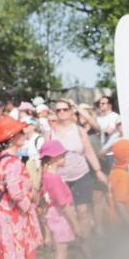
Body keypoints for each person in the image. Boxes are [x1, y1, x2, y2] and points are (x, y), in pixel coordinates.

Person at [0, 116, 42, 259]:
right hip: (12, 216)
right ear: (12, 138)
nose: (24, 134)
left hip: (1, 213)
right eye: (20, 132)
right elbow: (15, 191)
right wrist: (29, 207)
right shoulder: (12, 162)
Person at [49, 98, 105, 239]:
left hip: (81, 174)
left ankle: (86, 243)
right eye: (58, 110)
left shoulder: (79, 130)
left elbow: (88, 150)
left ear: (70, 111)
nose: (61, 112)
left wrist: (98, 171)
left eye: (65, 109)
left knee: (83, 210)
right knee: (67, 212)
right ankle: (71, 241)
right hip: (61, 177)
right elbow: (47, 157)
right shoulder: (51, 132)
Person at [39, 139, 81, 259]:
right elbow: (63, 204)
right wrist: (76, 224)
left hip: (54, 216)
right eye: (62, 155)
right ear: (54, 158)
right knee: (61, 255)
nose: (65, 158)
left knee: (60, 254)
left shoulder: (46, 177)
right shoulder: (54, 179)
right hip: (60, 218)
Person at [107, 138, 129, 223]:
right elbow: (120, 204)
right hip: (124, 222)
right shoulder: (122, 175)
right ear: (128, 157)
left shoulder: (117, 171)